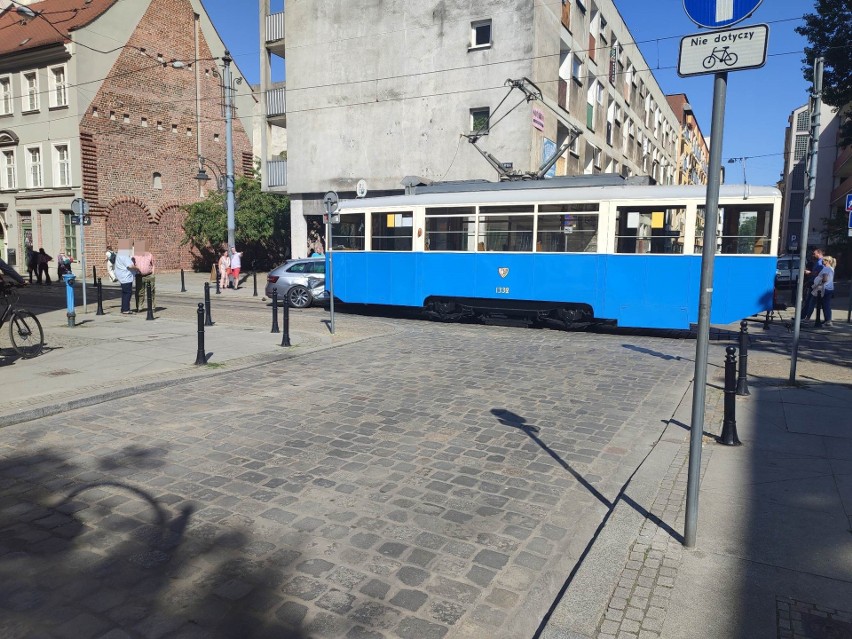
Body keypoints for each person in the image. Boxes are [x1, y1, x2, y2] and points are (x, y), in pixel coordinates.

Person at [813, 255, 836, 328]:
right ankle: (827, 319)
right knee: (826, 304)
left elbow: (825, 279)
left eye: (824, 260)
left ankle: (828, 320)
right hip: (830, 288)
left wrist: (819, 282)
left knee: (824, 305)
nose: (822, 261)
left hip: (824, 288)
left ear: (828, 261)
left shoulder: (826, 269)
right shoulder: (831, 269)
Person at [801, 247, 824, 320]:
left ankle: (805, 317)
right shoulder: (818, 262)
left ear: (819, 253)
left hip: (816, 284)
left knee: (810, 301)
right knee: (809, 301)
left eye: (814, 254)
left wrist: (809, 272)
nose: (813, 255)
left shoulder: (820, 262)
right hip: (813, 283)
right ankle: (803, 316)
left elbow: (820, 274)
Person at [133, 246, 156, 312]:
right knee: (140, 292)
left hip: (149, 275)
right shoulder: (135, 256)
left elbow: (153, 264)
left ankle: (152, 307)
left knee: (152, 292)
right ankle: (140, 307)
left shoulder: (149, 255)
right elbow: (131, 264)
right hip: (139, 276)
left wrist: (153, 273)